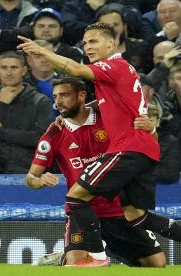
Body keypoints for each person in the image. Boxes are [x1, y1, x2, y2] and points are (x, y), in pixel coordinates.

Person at [18, 22, 181, 268]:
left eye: (94, 41)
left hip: (128, 148)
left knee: (75, 197)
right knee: (134, 214)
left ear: (111, 44)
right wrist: (152, 128)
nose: (88, 47)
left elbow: (74, 68)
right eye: (85, 43)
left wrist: (42, 52)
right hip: (144, 148)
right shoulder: (111, 82)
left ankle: (99, 258)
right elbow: (125, 108)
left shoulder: (116, 66)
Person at [26, 77, 167, 267]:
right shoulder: (54, 134)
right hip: (82, 210)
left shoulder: (109, 119)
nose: (58, 102)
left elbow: (148, 144)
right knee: (77, 265)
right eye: (55, 96)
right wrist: (39, 180)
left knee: (156, 264)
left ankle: (108, 249)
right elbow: (30, 177)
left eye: (64, 95)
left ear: (82, 95)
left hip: (120, 209)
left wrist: (151, 130)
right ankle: (66, 257)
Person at [0, 51, 53, 173]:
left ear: (24, 71)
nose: (9, 73)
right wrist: (1, 105)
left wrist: (1, 132)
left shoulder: (40, 101)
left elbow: (42, 140)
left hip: (30, 172)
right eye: (4, 68)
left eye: (14, 68)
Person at [24, 39, 61, 118]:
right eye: (37, 56)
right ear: (29, 60)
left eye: (47, 55)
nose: (44, 60)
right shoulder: (20, 85)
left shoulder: (70, 83)